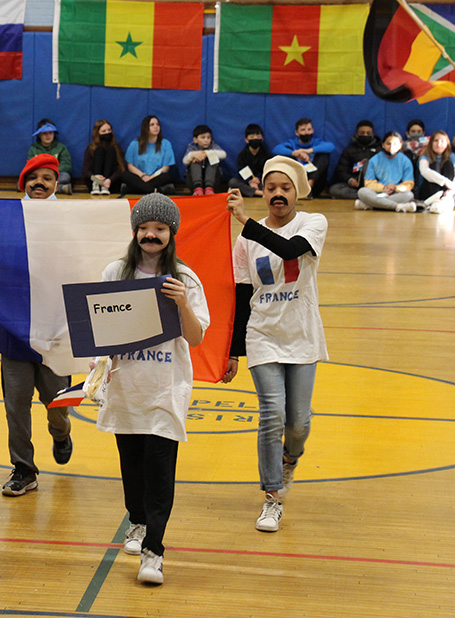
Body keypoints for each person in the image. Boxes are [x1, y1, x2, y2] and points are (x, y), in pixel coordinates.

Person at [96, 193, 209, 585]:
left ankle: (154, 553)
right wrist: (98, 371)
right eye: (144, 228)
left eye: (159, 229)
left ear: (171, 233)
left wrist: (183, 304)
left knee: (160, 471)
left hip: (166, 388)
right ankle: (138, 522)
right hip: (127, 387)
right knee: (133, 468)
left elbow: (195, 339)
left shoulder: (186, 278)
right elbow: (100, 331)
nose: (151, 234)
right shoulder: (115, 272)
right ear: (134, 231)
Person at [224, 156, 327, 534]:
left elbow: (289, 250)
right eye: (271, 188)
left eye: (285, 188)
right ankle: (272, 498)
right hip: (263, 335)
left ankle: (291, 456)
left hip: (301, 334)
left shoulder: (313, 224)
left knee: (298, 423)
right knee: (272, 414)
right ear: (261, 191)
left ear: (298, 192)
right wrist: (233, 350)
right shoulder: (244, 241)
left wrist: (246, 223)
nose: (278, 194)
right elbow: (240, 294)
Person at [1, 154, 74, 496]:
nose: (39, 183)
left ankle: (60, 433)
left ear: (56, 184)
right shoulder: (8, 219)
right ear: (23, 184)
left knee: (57, 402)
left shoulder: (70, 220)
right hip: (15, 328)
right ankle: (23, 468)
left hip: (57, 328)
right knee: (16, 404)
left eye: (47, 177)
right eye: (33, 178)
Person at [272, 117, 334, 198]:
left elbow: (331, 147)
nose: (306, 132)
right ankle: (302, 190)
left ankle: (310, 184)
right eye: (303, 130)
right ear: (297, 132)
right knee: (286, 155)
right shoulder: (292, 143)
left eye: (309, 129)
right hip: (297, 183)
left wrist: (309, 150)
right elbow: (276, 149)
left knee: (324, 155)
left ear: (313, 130)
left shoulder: (317, 142)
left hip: (315, 183)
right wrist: (296, 153)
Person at [354, 131, 415, 212]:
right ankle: (398, 206)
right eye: (388, 144)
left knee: (409, 195)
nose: (391, 147)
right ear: (383, 145)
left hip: (395, 192)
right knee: (362, 192)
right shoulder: (374, 160)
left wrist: (396, 188)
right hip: (377, 192)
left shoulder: (405, 161)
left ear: (400, 145)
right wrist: (383, 188)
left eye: (395, 144)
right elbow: (368, 183)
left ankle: (371, 205)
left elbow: (409, 184)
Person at [120, 115, 176, 196]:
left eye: (157, 124)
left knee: (168, 176)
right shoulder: (134, 144)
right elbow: (130, 166)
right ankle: (155, 190)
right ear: (145, 127)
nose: (156, 127)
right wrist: (143, 176)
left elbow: (165, 168)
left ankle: (135, 188)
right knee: (125, 175)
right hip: (139, 177)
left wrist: (151, 177)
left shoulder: (165, 144)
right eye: (152, 125)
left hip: (156, 178)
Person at [329, 120, 381, 200]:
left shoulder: (379, 150)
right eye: (362, 133)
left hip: (372, 184)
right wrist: (350, 180)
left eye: (368, 133)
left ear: (373, 134)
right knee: (334, 189)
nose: (365, 135)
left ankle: (369, 195)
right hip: (354, 185)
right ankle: (364, 196)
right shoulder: (349, 150)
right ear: (356, 134)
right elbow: (341, 170)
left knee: (367, 164)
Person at [417, 130, 455, 214]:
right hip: (429, 191)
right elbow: (425, 171)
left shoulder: (452, 157)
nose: (438, 144)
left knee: (448, 164)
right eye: (436, 141)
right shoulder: (425, 156)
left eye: (442, 141)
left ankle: (444, 200)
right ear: (431, 143)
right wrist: (444, 181)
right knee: (435, 164)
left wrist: (453, 189)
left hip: (447, 192)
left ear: (447, 143)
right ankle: (434, 200)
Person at [27, 119, 73, 194]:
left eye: (50, 133)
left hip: (56, 175)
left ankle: (39, 188)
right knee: (28, 178)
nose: (48, 136)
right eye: (45, 133)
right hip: (38, 176)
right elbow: (30, 164)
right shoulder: (33, 148)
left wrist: (52, 171)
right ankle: (61, 188)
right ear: (39, 135)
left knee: (65, 177)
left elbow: (67, 165)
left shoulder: (61, 147)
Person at [82, 119, 125, 195]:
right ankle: (97, 185)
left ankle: (104, 187)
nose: (107, 133)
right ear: (97, 133)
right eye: (104, 131)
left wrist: (109, 180)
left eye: (109, 130)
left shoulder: (116, 148)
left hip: (111, 183)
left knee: (111, 150)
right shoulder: (91, 148)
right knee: (100, 149)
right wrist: (96, 179)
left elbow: (120, 169)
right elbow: (85, 171)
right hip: (94, 181)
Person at [228, 124, 271, 198]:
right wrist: (250, 181)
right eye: (252, 137)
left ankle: (252, 192)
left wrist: (258, 179)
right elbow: (241, 170)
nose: (255, 139)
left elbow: (268, 170)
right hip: (247, 183)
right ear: (246, 140)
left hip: (261, 182)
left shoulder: (267, 155)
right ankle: (259, 193)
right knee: (233, 182)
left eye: (258, 137)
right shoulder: (242, 155)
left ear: (262, 138)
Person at [182, 124, 226, 195]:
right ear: (195, 140)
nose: (206, 140)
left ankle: (209, 188)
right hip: (194, 182)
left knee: (213, 158)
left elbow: (223, 154)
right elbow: (184, 161)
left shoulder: (213, 145)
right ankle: (198, 188)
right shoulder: (192, 146)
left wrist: (206, 154)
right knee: (194, 160)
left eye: (208, 137)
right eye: (203, 138)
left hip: (212, 182)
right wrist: (193, 155)